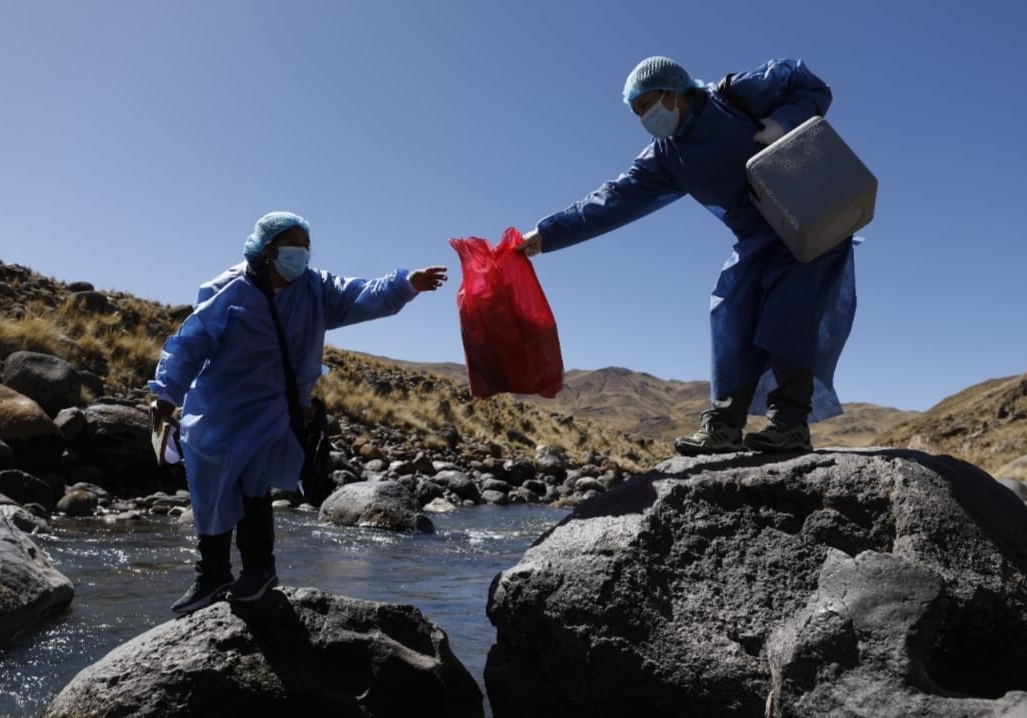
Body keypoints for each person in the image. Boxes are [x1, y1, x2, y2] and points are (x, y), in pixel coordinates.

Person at [518, 56, 858, 456]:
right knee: (730, 310)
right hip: (756, 238)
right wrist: (546, 234)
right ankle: (725, 425)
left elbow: (808, 83)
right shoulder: (665, 157)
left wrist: (785, 121)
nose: (643, 117)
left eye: (646, 105)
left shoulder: (735, 96)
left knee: (787, 310)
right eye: (636, 112)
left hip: (807, 218)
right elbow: (610, 200)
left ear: (673, 92)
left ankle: (789, 423)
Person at [148, 211, 448, 614]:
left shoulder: (316, 289)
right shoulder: (228, 290)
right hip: (220, 405)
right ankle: (212, 574)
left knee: (254, 483)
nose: (302, 253)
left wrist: (405, 285)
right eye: (293, 245)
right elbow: (190, 344)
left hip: (275, 404)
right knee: (211, 483)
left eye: (306, 245)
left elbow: (362, 293)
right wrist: (166, 394)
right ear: (267, 249)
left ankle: (259, 570)